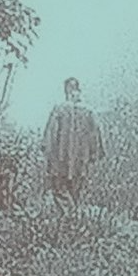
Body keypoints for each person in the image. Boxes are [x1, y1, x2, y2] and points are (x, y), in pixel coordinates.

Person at [42, 76, 104, 210]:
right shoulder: (89, 111)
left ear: (66, 90)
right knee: (75, 192)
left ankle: (70, 216)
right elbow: (95, 136)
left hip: (60, 160)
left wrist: (48, 154)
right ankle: (72, 216)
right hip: (81, 160)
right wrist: (94, 154)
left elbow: (50, 135)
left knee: (59, 189)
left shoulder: (59, 109)